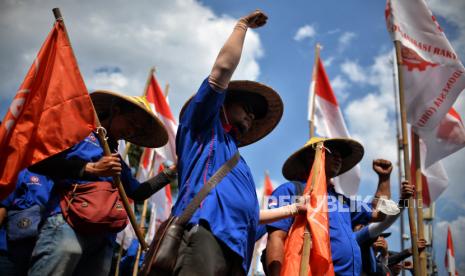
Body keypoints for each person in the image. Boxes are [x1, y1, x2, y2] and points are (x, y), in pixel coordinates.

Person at [171, 9, 283, 276]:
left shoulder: (238, 160)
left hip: (238, 250)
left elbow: (251, 215)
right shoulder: (202, 128)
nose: (251, 115)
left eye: (254, 114)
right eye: (246, 107)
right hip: (204, 232)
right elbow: (221, 70)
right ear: (223, 103)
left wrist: (299, 207)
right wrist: (241, 27)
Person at [27, 91, 172, 275]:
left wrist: (169, 173)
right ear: (116, 111)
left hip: (104, 237)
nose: (132, 130)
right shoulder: (80, 135)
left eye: (138, 129)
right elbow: (38, 163)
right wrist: (91, 168)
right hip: (67, 223)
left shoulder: (117, 159)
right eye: (132, 122)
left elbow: (138, 192)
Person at [264, 137, 393, 276]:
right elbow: (276, 238)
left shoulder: (341, 201)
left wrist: (384, 179)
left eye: (341, 155)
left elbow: (377, 212)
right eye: (332, 153)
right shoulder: (291, 190)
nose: (339, 158)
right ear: (311, 157)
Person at [1, 169, 54, 275]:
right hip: (10, 252)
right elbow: (3, 207)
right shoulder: (24, 171)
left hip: (45, 256)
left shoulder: (64, 177)